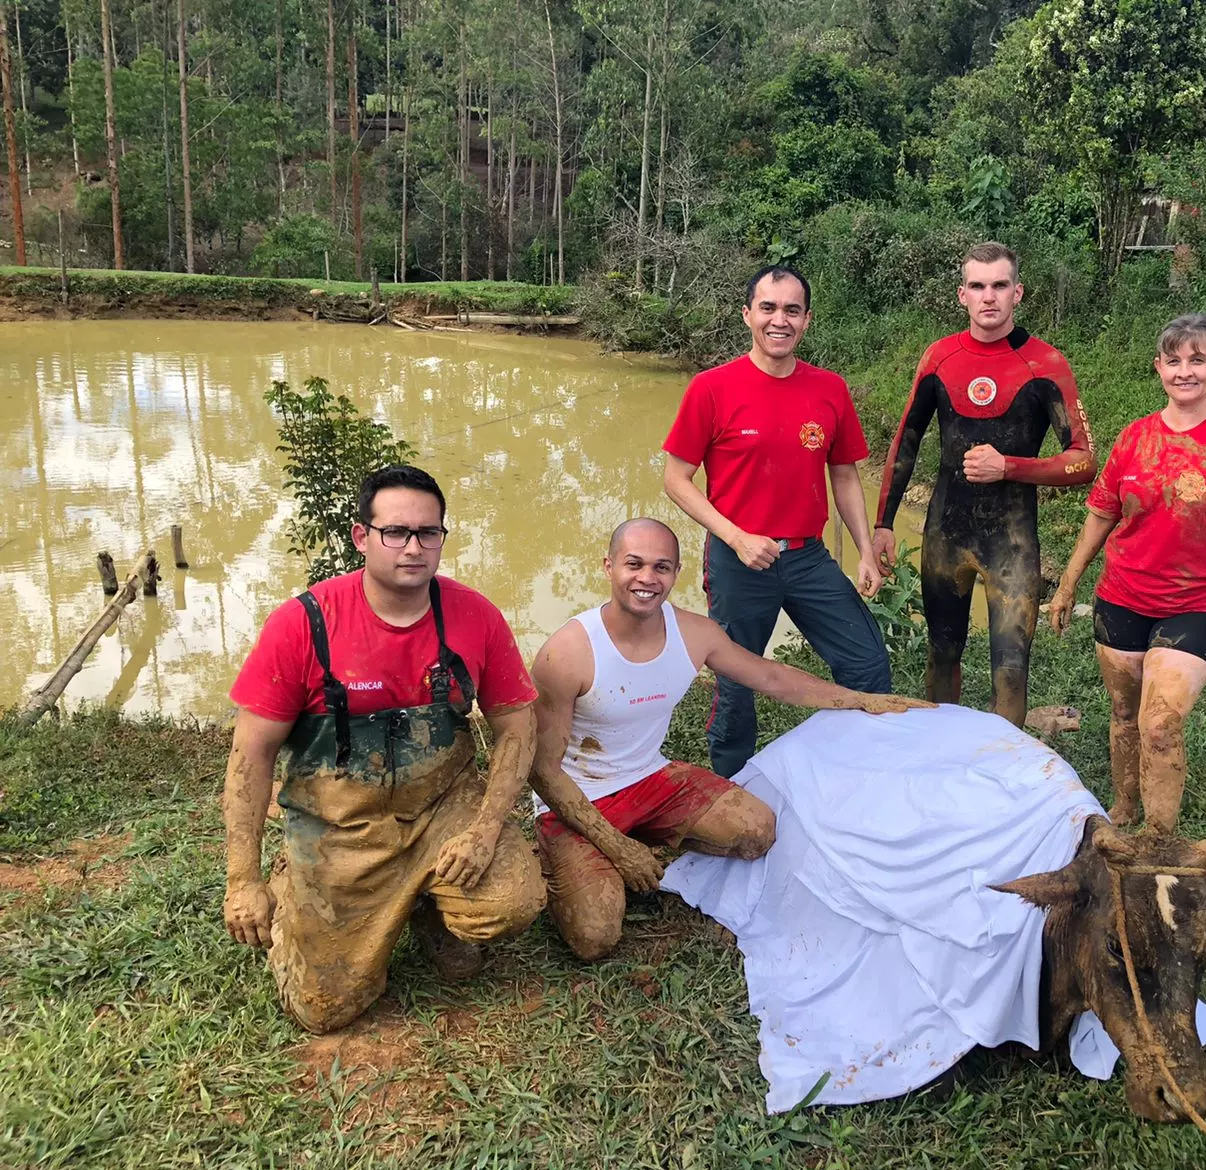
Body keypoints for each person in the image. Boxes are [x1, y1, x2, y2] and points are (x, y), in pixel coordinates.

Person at [221, 465, 544, 1034]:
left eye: (429, 533)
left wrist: (485, 830)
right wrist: (240, 878)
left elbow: (518, 729)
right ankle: (290, 880)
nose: (413, 547)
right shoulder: (304, 624)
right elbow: (251, 758)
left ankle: (430, 911)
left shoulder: (476, 617)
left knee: (512, 900)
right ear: (361, 537)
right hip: (343, 825)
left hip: (444, 810)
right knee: (324, 1011)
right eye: (395, 532)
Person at [529, 517, 930, 962]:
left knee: (757, 831)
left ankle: (646, 835)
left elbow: (770, 676)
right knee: (595, 936)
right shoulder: (567, 652)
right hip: (576, 799)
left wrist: (859, 699)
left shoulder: (694, 634)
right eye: (634, 564)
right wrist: (615, 846)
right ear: (608, 567)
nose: (647, 578)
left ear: (676, 573)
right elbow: (542, 771)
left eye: (661, 567)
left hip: (650, 778)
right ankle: (565, 856)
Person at [1046, 313, 1206, 834]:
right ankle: (1125, 809)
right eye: (1174, 360)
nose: (1185, 371)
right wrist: (1069, 582)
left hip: (1196, 605)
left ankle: (1158, 840)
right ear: (1159, 367)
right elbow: (1101, 515)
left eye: (1197, 360)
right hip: (1121, 597)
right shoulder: (1135, 438)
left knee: (1159, 725)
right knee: (1124, 715)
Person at [663, 264, 891, 779]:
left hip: (808, 556)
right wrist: (736, 537)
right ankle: (731, 788)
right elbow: (676, 480)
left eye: (791, 310)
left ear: (806, 320)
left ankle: (858, 768)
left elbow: (846, 476)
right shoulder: (712, 388)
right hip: (738, 560)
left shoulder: (829, 389)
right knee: (736, 683)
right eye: (768, 308)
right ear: (748, 315)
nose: (778, 320)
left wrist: (864, 549)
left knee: (867, 665)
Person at [873, 242, 1097, 726]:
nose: (988, 296)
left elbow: (1084, 462)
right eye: (977, 286)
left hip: (1011, 543)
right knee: (942, 652)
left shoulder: (1046, 364)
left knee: (1011, 667)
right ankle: (943, 757)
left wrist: (1011, 467)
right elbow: (904, 443)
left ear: (1018, 293)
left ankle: (1004, 773)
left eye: (999, 285)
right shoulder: (939, 358)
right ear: (962, 294)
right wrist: (883, 523)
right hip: (945, 535)